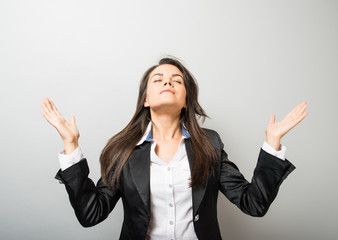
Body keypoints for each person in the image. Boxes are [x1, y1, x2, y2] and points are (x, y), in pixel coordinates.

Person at [40, 57, 308, 240]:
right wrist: (71, 145)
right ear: (145, 99)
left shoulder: (210, 144)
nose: (167, 82)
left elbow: (254, 204)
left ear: (185, 100)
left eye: (176, 80)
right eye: (158, 79)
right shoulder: (122, 150)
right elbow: (91, 213)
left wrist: (272, 143)